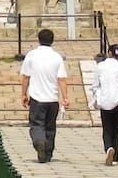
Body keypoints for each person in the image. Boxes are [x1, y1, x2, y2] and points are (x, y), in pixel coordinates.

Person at [20, 28, 69, 164]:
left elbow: (25, 77)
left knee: (36, 125)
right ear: (52, 41)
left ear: (39, 39)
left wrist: (23, 94)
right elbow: (62, 79)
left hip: (37, 98)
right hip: (53, 99)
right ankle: (47, 153)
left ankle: (39, 142)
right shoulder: (57, 57)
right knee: (50, 127)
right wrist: (65, 98)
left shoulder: (32, 55)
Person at [91, 43, 118, 165]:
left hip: (105, 101)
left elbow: (95, 85)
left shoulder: (100, 66)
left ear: (109, 52)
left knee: (107, 128)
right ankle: (115, 156)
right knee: (115, 129)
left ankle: (108, 147)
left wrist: (96, 98)